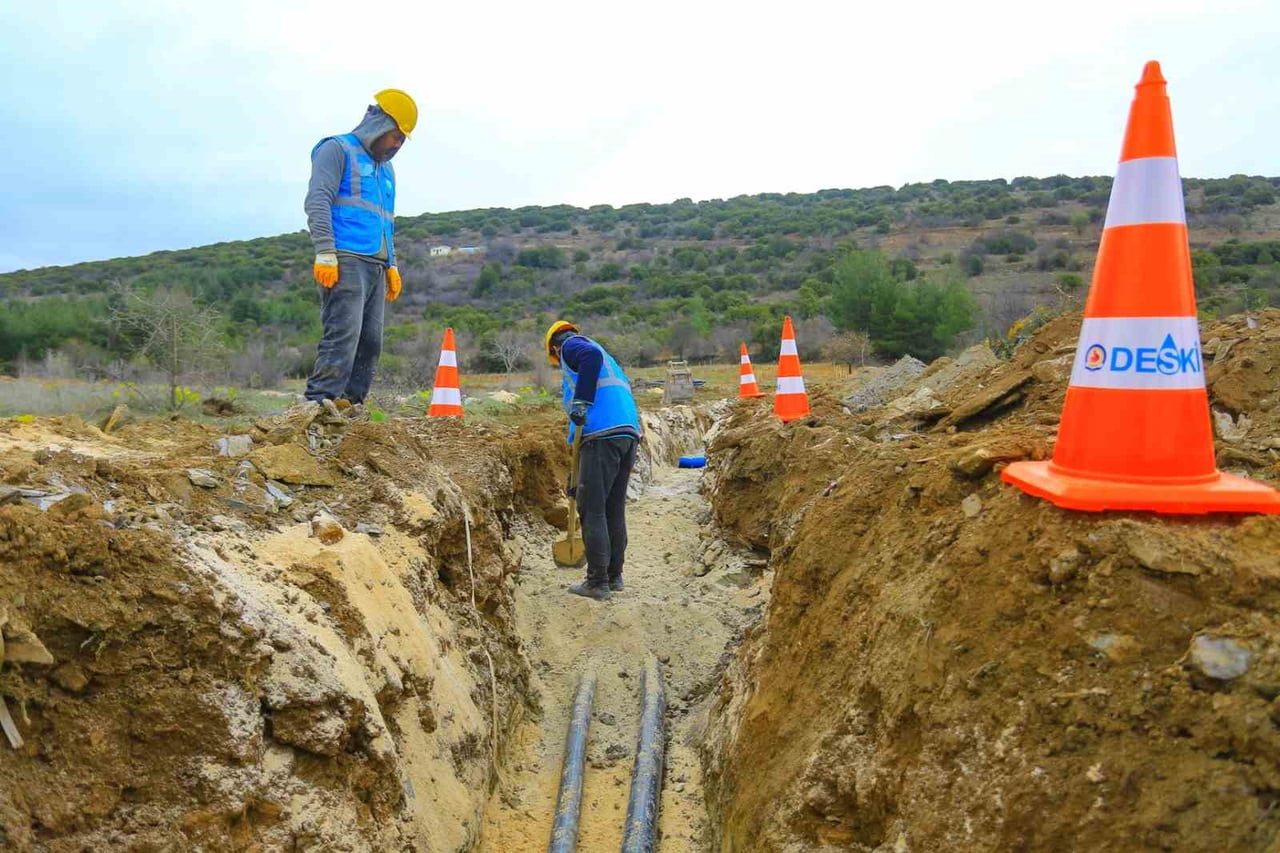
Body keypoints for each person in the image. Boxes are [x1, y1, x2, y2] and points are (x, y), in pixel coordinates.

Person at [303, 89, 417, 407]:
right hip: (346, 258)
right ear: (377, 125)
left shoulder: (387, 171)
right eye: (394, 136)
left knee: (370, 343)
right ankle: (317, 407)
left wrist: (391, 263)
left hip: (376, 264)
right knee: (343, 337)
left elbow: (385, 221)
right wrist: (325, 251)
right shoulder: (336, 149)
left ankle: (350, 409)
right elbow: (318, 200)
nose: (397, 145)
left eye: (402, 140)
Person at [546, 321, 642, 601]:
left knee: (593, 510)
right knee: (612, 508)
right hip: (626, 434)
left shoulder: (573, 346)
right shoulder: (609, 361)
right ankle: (614, 576)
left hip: (602, 435)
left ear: (555, 346)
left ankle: (597, 582)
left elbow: (589, 360)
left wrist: (581, 403)